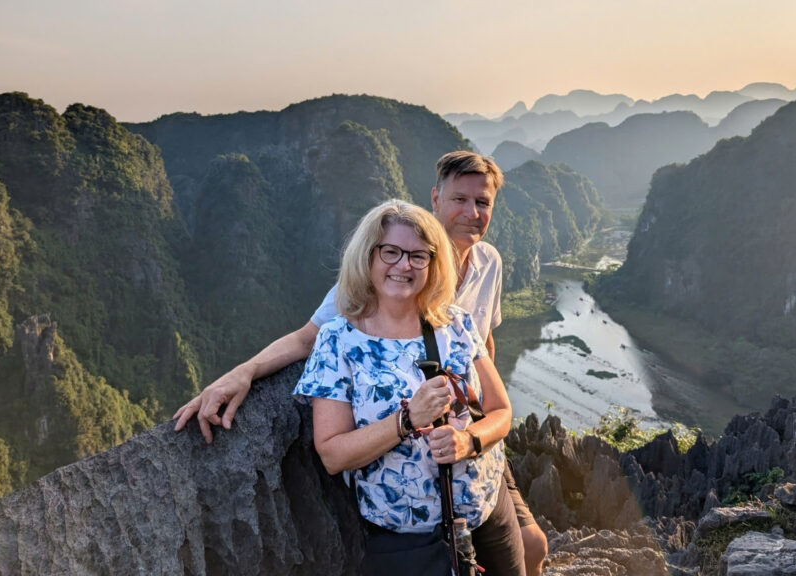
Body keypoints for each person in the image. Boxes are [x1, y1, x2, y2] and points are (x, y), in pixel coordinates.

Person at [174, 151, 549, 575]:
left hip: (479, 475)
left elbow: (488, 352)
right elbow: (306, 338)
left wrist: (474, 432)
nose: (471, 212)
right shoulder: (353, 314)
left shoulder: (479, 277)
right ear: (436, 199)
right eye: (460, 199)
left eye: (482, 203)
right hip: (412, 530)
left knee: (532, 547)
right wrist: (242, 373)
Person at [294, 199, 522, 575]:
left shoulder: (456, 323)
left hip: (488, 512)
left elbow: (501, 410)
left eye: (419, 255)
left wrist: (468, 442)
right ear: (368, 257)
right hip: (406, 542)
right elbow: (333, 454)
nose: (404, 265)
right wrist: (407, 419)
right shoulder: (339, 340)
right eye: (391, 252)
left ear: (433, 264)